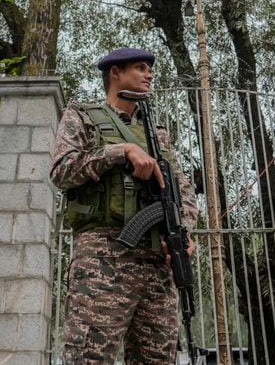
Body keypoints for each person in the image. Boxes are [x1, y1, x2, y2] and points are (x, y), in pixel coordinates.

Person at [50, 47, 199, 364]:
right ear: (115, 73)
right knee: (89, 356)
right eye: (140, 67)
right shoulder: (82, 116)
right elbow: (62, 171)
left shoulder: (157, 134)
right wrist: (120, 152)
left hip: (157, 262)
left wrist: (183, 237)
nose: (149, 74)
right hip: (103, 256)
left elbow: (182, 190)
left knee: (158, 358)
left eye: (149, 69)